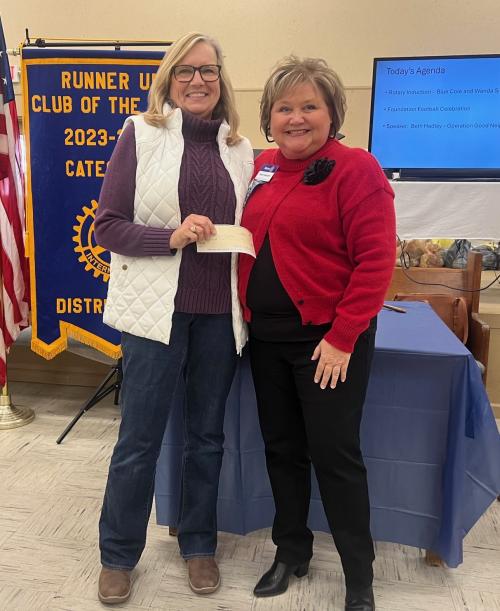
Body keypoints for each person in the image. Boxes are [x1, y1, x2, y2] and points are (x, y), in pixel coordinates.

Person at [94, 32, 253, 605]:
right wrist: (171, 236)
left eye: (208, 71)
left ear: (220, 79)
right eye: (185, 71)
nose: (197, 80)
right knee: (138, 439)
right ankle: (117, 554)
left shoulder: (241, 147)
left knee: (206, 438)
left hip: (219, 316)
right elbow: (106, 227)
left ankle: (199, 543)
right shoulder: (140, 134)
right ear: (168, 79)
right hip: (155, 314)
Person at [238, 56, 396, 611]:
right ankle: (291, 550)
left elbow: (376, 262)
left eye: (310, 106)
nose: (296, 118)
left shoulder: (357, 169)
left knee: (334, 456)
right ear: (269, 116)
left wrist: (344, 335)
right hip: (267, 339)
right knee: (282, 450)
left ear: (332, 114)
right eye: (284, 108)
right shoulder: (260, 169)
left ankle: (359, 577)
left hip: (328, 344)